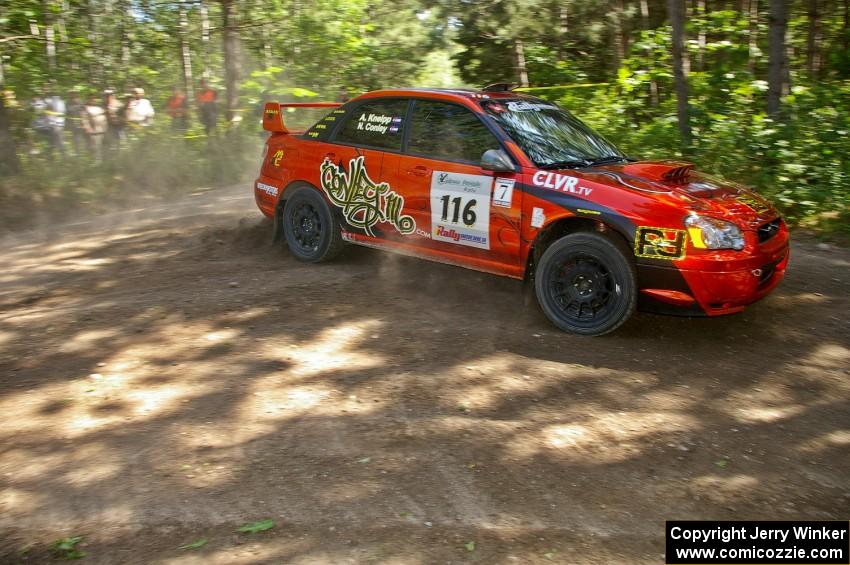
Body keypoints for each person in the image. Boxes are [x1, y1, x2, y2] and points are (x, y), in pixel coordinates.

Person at [81, 94, 107, 162]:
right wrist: (87, 128)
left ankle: (101, 160)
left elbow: (104, 118)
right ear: (88, 99)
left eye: (93, 98)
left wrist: (105, 128)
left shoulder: (99, 108)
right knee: (93, 146)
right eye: (90, 98)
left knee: (100, 146)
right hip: (92, 131)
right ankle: (94, 160)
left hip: (101, 130)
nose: (92, 100)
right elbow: (84, 119)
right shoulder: (85, 108)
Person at [67, 92, 86, 156]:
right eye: (71, 97)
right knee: (75, 139)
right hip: (73, 125)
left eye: (74, 97)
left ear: (77, 97)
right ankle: (77, 152)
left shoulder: (81, 103)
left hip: (81, 124)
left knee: (83, 138)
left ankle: (84, 152)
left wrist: (84, 123)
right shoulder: (68, 104)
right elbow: (67, 114)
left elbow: (85, 113)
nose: (73, 99)